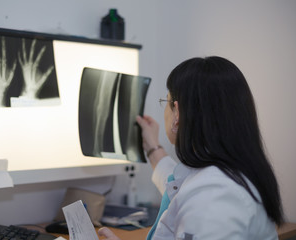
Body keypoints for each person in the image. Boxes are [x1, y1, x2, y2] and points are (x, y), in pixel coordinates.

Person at [98, 56, 284, 240]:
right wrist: (152, 147)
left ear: (177, 112)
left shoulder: (213, 196)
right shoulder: (229, 173)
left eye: (166, 101)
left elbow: (193, 193)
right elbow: (177, 185)